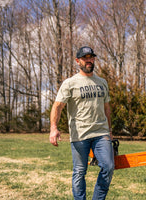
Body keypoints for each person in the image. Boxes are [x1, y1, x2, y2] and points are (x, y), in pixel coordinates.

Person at [49, 46, 114, 200]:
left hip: (101, 133)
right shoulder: (70, 83)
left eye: (91, 57)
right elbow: (57, 106)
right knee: (79, 171)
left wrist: (110, 130)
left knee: (109, 167)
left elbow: (107, 108)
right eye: (85, 58)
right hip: (80, 135)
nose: (89, 60)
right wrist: (53, 128)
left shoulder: (102, 82)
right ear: (78, 61)